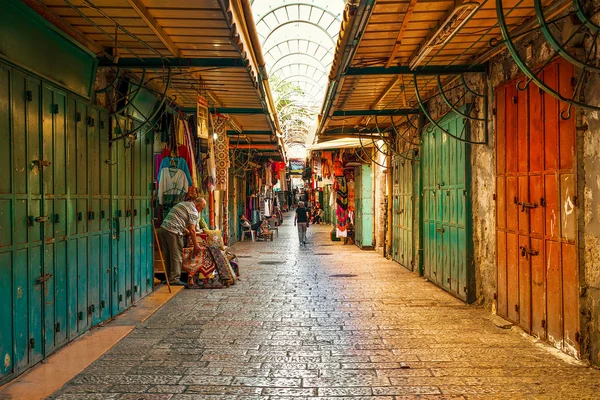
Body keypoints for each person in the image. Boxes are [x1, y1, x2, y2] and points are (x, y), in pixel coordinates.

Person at [157, 197, 205, 285]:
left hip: (163, 229)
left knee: (168, 255)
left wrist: (188, 233)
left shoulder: (184, 204)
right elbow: (192, 230)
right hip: (173, 231)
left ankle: (168, 278)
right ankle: (174, 279)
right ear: (198, 205)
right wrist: (196, 245)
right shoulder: (194, 211)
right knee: (176, 255)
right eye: (202, 208)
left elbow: (180, 222)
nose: (201, 210)